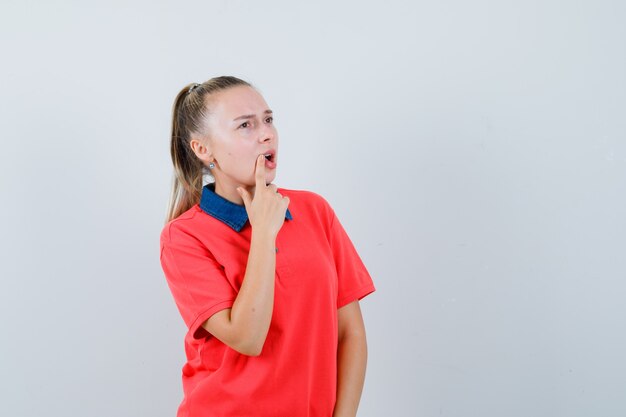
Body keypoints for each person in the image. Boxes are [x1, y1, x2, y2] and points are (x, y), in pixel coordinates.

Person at [159, 75, 376, 417]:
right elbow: (247, 338)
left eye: (268, 120)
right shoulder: (183, 238)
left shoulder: (314, 211)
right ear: (202, 149)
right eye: (245, 125)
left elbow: (351, 334)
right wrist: (263, 232)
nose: (266, 134)